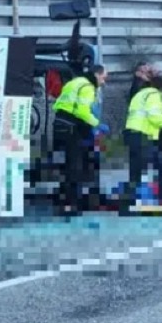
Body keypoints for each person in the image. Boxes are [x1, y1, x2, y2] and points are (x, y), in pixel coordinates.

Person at [52, 64, 108, 214]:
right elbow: (82, 111)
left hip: (59, 124)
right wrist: (97, 124)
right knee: (75, 166)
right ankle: (70, 205)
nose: (103, 82)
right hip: (71, 127)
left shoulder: (74, 82)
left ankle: (63, 201)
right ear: (96, 74)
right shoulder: (88, 87)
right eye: (103, 78)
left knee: (66, 165)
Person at [122, 67, 162, 213]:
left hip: (132, 134)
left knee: (136, 171)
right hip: (143, 136)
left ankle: (129, 204)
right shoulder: (155, 95)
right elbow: (154, 117)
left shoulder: (141, 94)